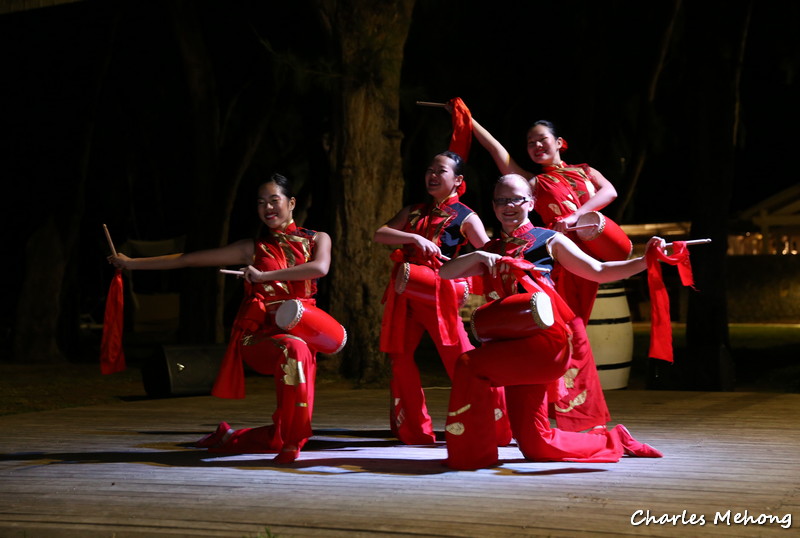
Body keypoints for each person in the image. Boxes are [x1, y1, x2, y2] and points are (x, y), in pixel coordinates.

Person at [439, 174, 662, 470]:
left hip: (545, 342)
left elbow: (598, 269)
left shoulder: (548, 240)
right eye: (501, 200)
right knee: (536, 444)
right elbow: (446, 273)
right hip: (510, 344)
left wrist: (647, 260)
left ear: (530, 203)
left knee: (470, 365)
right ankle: (614, 440)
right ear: (493, 207)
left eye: (516, 199)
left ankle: (471, 454)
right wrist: (478, 254)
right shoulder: (491, 251)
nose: (509, 206)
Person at [108, 173, 333, 464]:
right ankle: (292, 442)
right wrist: (132, 264)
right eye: (261, 203)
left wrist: (265, 276)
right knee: (294, 349)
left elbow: (320, 268)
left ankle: (253, 437)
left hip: (305, 329)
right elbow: (187, 259)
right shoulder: (250, 248)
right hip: (261, 336)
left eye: (274, 200)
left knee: (296, 361)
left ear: (291, 203)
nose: (267, 208)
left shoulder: (318, 239)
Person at [470, 113, 621, 433]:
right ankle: (567, 413)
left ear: (560, 143)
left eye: (542, 139)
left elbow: (609, 193)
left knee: (573, 333)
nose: (536, 146)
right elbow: (498, 152)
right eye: (530, 143)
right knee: (567, 332)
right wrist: (468, 120)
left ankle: (570, 412)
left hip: (590, 254)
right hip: (560, 262)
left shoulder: (586, 171)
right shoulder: (534, 184)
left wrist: (577, 215)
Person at [374, 151, 511, 446]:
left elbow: (486, 254)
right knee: (399, 358)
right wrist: (414, 238)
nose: (433, 175)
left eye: (441, 171)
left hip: (439, 293)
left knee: (460, 359)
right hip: (406, 292)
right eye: (430, 170)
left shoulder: (465, 216)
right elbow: (380, 234)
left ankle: (489, 420)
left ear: (458, 180)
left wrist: (465, 283)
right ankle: (414, 431)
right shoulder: (414, 210)